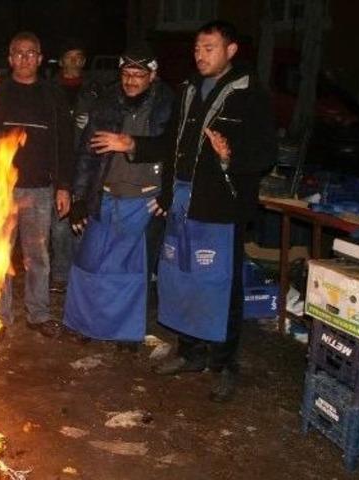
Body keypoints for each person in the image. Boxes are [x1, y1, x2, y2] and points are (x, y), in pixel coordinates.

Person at [100, 21, 276, 402]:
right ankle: (190, 352)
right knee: (179, 278)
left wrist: (232, 156)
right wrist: (134, 144)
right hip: (181, 201)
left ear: (230, 51)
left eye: (209, 48)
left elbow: (265, 154)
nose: (200, 55)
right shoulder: (188, 90)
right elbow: (169, 144)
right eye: (197, 48)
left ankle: (225, 365)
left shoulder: (250, 96)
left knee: (219, 285)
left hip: (220, 206)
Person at [63, 44, 174, 346]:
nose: (132, 80)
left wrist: (168, 195)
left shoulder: (168, 104)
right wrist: (79, 199)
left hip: (144, 200)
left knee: (131, 270)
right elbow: (87, 154)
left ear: (153, 75)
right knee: (90, 261)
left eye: (139, 74)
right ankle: (87, 324)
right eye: (127, 73)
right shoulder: (107, 104)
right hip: (106, 195)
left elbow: (174, 150)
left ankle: (126, 332)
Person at [0, 31, 74, 337]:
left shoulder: (53, 95)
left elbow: (66, 143)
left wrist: (64, 186)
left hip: (40, 189)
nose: (25, 59)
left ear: (40, 59)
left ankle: (38, 314)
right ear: (10, 57)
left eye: (31, 54)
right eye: (18, 53)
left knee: (37, 255)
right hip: (0, 191)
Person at [49, 39, 88, 291]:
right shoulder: (49, 90)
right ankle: (61, 276)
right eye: (69, 57)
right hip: (56, 162)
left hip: (85, 163)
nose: (74, 62)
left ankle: (81, 274)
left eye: (79, 57)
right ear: (61, 61)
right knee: (60, 223)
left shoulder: (94, 90)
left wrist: (90, 124)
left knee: (81, 220)